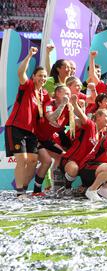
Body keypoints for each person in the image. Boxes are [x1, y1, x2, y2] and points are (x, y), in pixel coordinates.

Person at [5, 47, 51, 197]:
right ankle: (19, 192)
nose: (42, 79)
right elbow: (20, 73)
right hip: (16, 127)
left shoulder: (44, 94)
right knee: (22, 159)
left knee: (33, 160)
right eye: (39, 76)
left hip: (31, 132)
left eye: (44, 77)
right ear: (33, 76)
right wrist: (29, 56)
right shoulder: (28, 85)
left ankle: (23, 189)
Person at [61, 97, 107, 193]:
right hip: (71, 160)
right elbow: (81, 115)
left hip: (85, 165)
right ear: (98, 117)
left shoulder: (102, 135)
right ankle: (67, 188)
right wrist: (75, 104)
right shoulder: (91, 126)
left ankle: (86, 188)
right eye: (106, 116)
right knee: (73, 169)